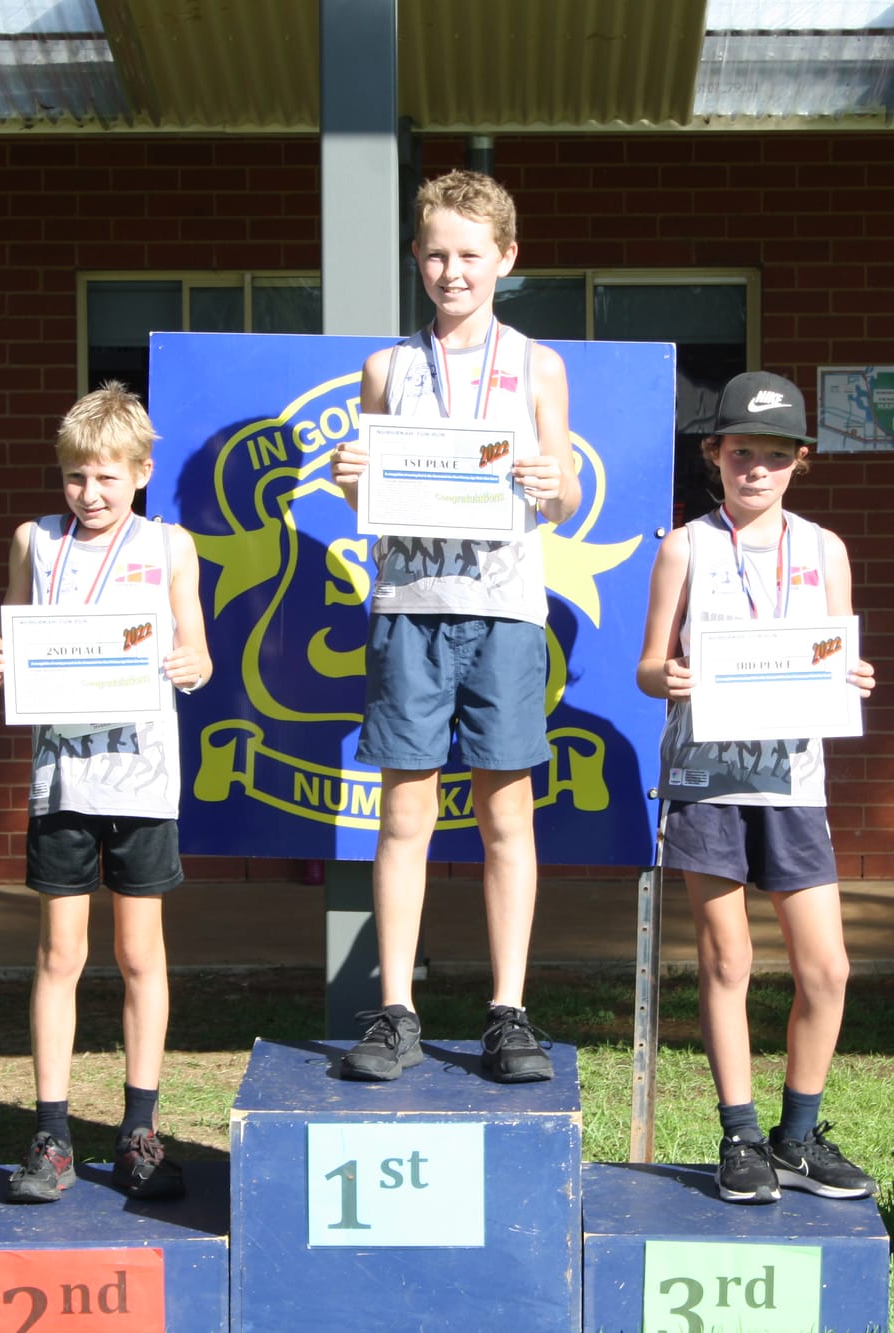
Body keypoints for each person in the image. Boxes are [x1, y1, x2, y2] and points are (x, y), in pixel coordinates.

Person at [327, 169, 579, 1083]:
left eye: (470, 254)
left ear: (506, 259)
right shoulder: (388, 368)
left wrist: (559, 486)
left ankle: (508, 1009)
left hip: (507, 610)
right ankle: (395, 1007)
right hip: (410, 609)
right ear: (416, 258)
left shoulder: (539, 363)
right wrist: (353, 472)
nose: (451, 269)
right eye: (435, 252)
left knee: (508, 814)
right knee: (405, 813)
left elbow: (568, 493)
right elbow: (368, 492)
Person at [635, 371, 879, 1205]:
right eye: (743, 452)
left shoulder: (825, 549)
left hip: (793, 782)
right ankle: (740, 1134)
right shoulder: (687, 546)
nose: (758, 470)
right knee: (727, 957)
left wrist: (852, 675)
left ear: (799, 461)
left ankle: (797, 1138)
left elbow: (836, 656)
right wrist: (667, 676)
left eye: (777, 456)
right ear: (715, 453)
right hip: (707, 778)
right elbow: (646, 666)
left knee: (827, 969)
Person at [0, 383, 210, 1203]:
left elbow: (200, 652)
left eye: (109, 477)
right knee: (59, 955)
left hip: (142, 778)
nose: (91, 493)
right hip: (63, 781)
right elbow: (11, 640)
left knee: (140, 954)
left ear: (142, 472)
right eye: (76, 476)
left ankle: (140, 1132)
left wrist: (191, 664)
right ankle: (51, 1134)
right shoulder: (34, 540)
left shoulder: (171, 545)